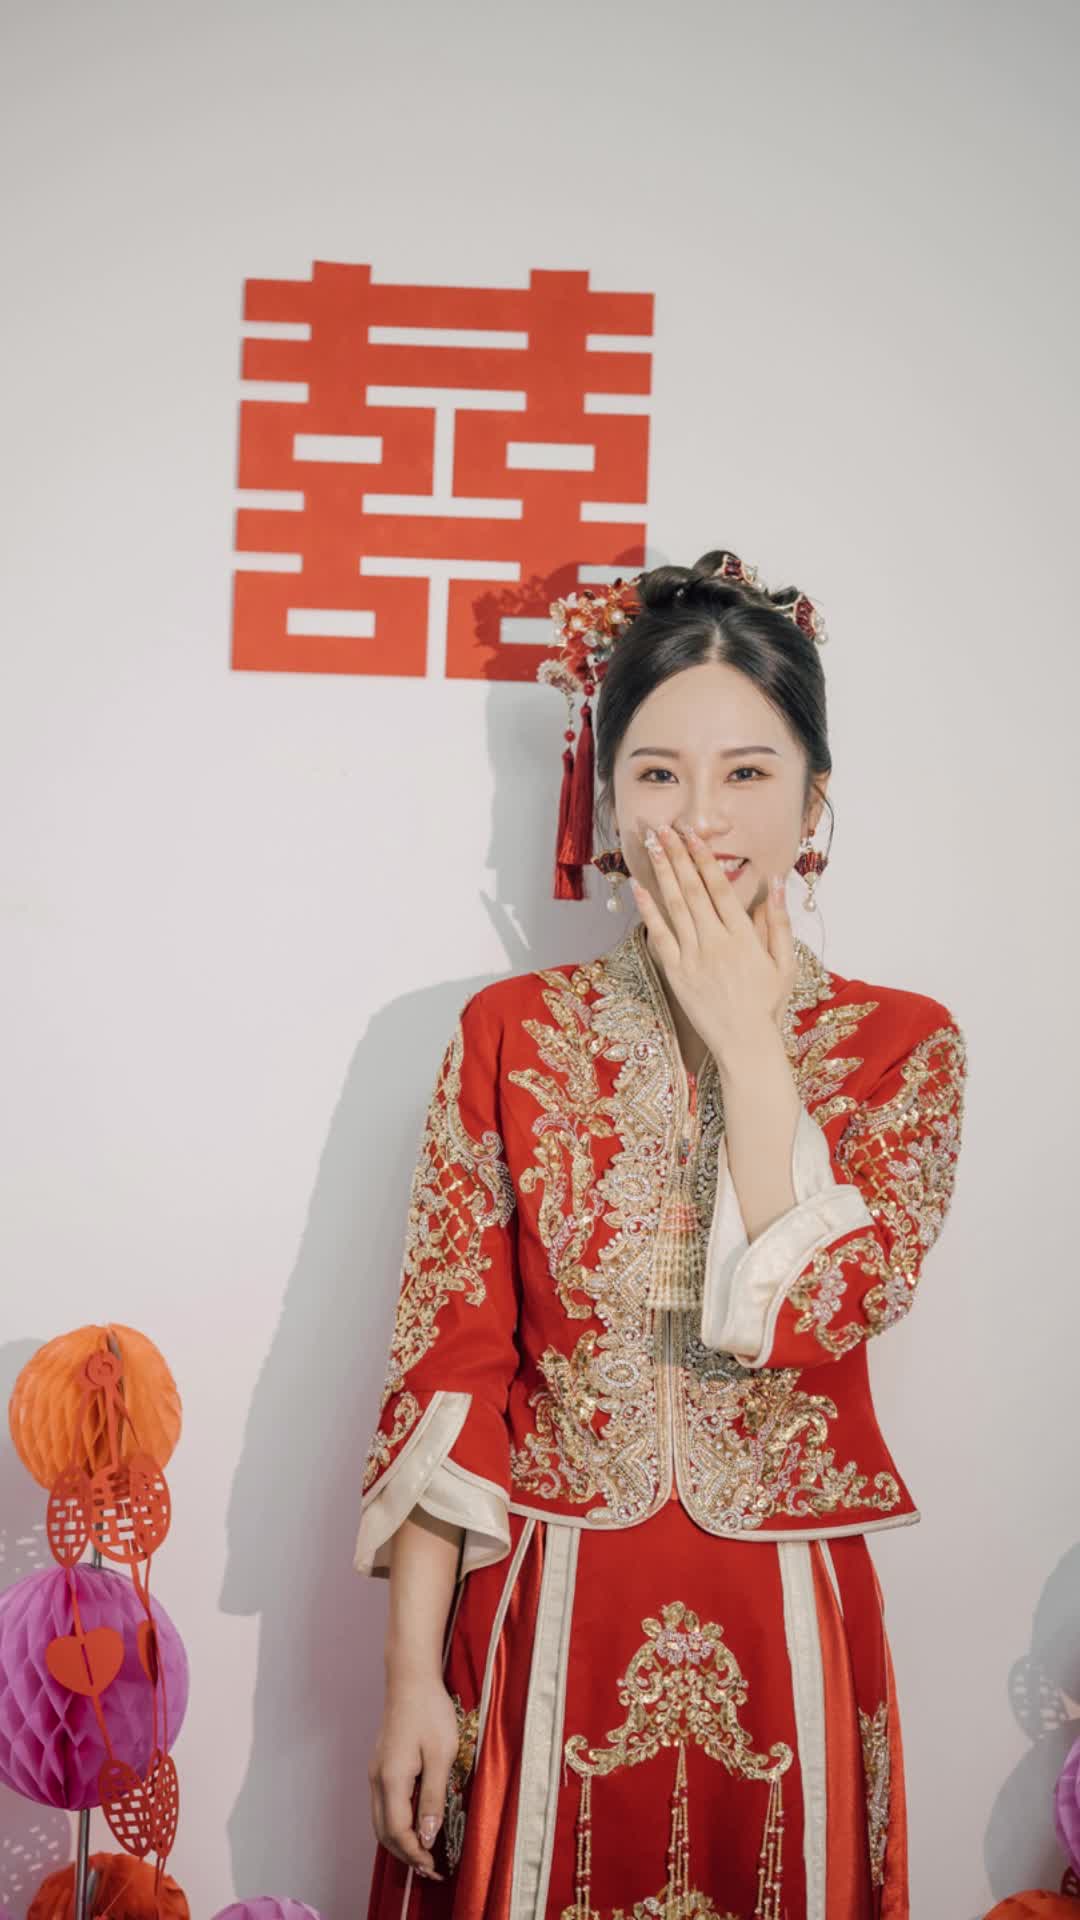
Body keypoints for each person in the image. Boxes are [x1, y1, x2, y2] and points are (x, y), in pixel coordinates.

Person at [355, 549, 968, 1920]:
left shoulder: (901, 1047)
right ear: (605, 797)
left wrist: (753, 1047)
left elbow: (827, 1312)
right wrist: (409, 1681)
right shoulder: (511, 1036)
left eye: (748, 772)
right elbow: (451, 1369)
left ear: (816, 797)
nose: (700, 818)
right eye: (657, 773)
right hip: (546, 1592)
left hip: (784, 1608)